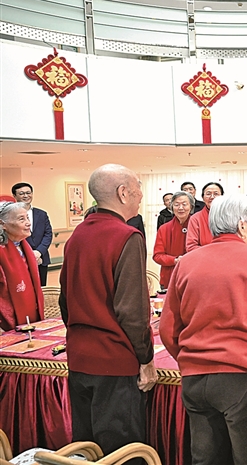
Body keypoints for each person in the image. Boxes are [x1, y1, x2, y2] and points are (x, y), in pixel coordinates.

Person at [160, 194, 247, 465]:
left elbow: (168, 328)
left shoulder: (187, 262)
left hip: (194, 379)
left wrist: (191, 357)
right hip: (242, 379)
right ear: (242, 225)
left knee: (206, 459)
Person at [59, 164, 157, 459]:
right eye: (138, 187)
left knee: (86, 449)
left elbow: (65, 300)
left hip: (79, 358)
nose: (141, 195)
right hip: (115, 362)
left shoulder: (77, 234)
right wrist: (146, 358)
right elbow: (132, 311)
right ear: (123, 192)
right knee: (121, 453)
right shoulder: (127, 236)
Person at [0, 202, 44, 331]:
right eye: (21, 219)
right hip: (6, 323)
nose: (28, 223)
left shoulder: (25, 246)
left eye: (27, 218)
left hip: (32, 315)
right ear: (3, 224)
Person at [11, 182, 53, 286]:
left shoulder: (42, 214)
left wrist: (38, 252)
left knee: (41, 288)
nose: (26, 196)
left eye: (28, 193)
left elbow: (48, 234)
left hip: (41, 258)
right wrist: (30, 253)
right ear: (14, 196)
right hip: (21, 259)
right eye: (21, 193)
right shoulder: (10, 214)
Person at [153, 191, 194, 289]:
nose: (181, 208)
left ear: (191, 207)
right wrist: (175, 260)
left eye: (184, 204)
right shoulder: (164, 229)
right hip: (170, 277)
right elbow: (157, 255)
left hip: (194, 275)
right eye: (176, 204)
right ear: (171, 207)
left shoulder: (199, 226)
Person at [186, 182, 223, 252]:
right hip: (204, 258)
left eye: (216, 194)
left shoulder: (230, 216)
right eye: (208, 194)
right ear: (203, 198)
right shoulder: (195, 218)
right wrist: (212, 252)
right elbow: (191, 246)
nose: (212, 197)